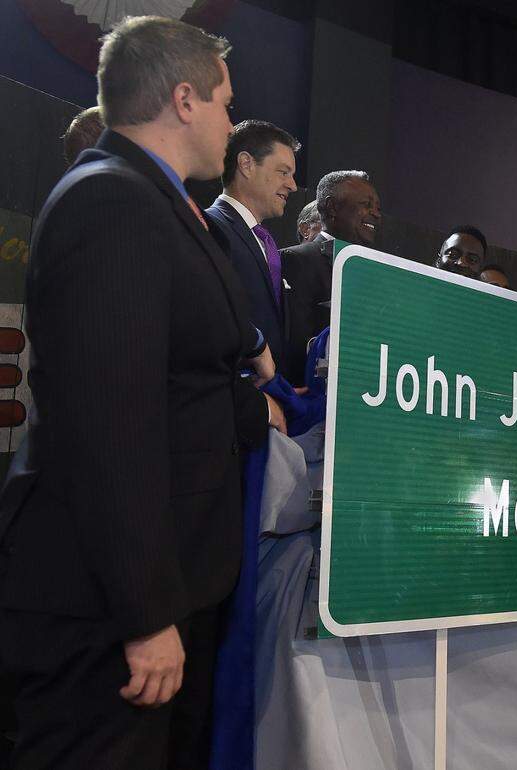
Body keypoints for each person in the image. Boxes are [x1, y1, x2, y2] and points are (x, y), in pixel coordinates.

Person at [0, 16, 280, 769]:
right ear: (184, 100)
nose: (230, 121)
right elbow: (110, 427)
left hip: (165, 592)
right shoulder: (110, 202)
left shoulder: (154, 203)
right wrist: (148, 614)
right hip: (108, 614)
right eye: (224, 102)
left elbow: (186, 378)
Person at [206, 120, 300, 381]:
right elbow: (210, 320)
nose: (292, 185)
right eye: (284, 172)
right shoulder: (210, 227)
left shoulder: (265, 241)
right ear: (246, 164)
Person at [281, 170, 380, 380]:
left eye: (377, 208)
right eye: (366, 204)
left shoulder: (377, 274)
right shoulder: (296, 259)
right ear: (333, 207)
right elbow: (293, 343)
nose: (376, 214)